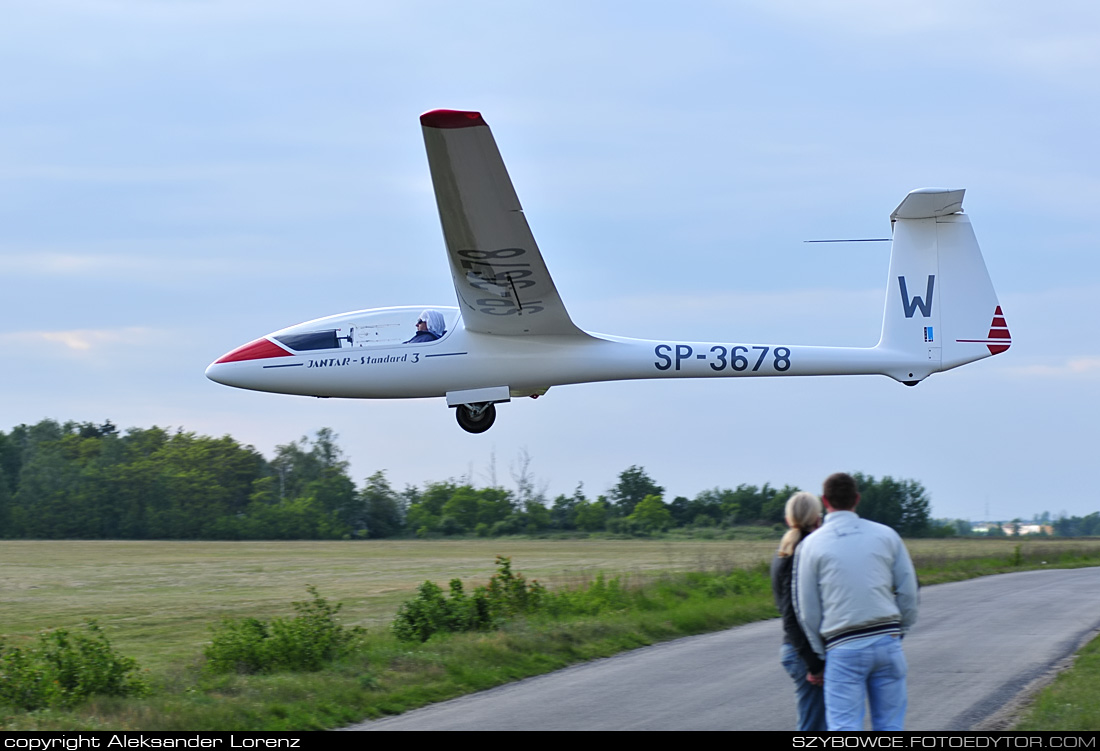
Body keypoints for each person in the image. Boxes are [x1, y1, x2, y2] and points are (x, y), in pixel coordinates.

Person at [793, 472, 919, 731]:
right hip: (887, 639)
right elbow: (908, 591)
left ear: (824, 500)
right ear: (857, 499)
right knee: (890, 726)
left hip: (842, 645)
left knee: (844, 727)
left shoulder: (811, 545)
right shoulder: (886, 535)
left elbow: (807, 609)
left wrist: (820, 650)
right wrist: (900, 629)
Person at [771, 491, 827, 731]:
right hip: (804, 653)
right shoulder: (804, 555)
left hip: (797, 650)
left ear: (788, 519)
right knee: (812, 728)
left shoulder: (784, 551)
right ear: (817, 519)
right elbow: (792, 615)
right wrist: (814, 664)